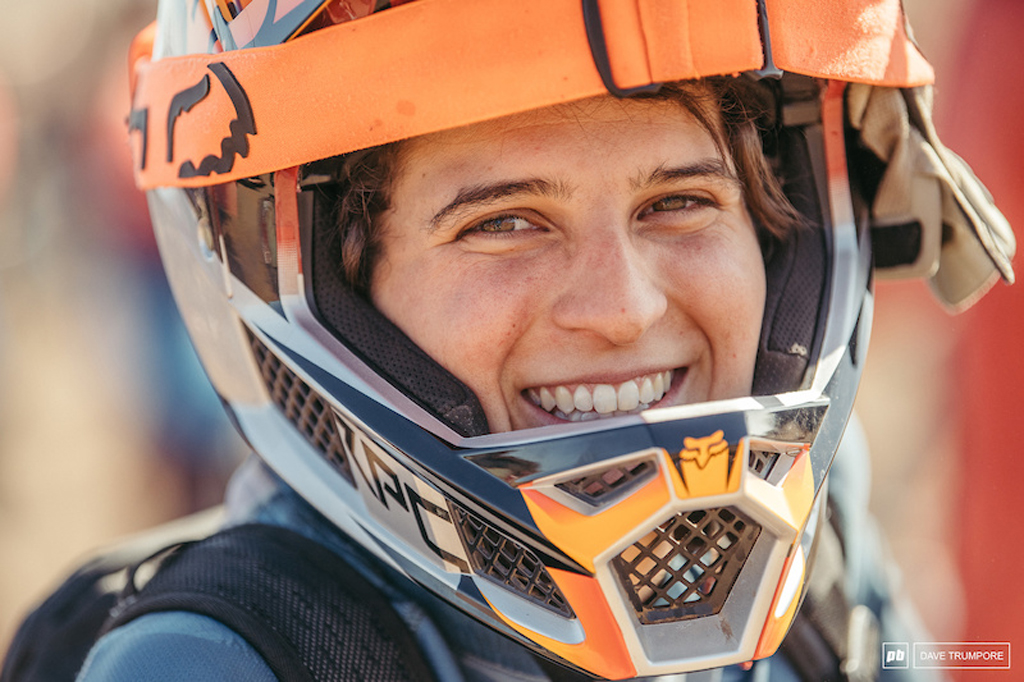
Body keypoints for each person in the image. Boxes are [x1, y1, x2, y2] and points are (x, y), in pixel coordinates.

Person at [4, 1, 1016, 681]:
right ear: (337, 290)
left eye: (679, 201)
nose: (623, 308)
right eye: (505, 223)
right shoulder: (221, 661)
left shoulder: (823, 562)